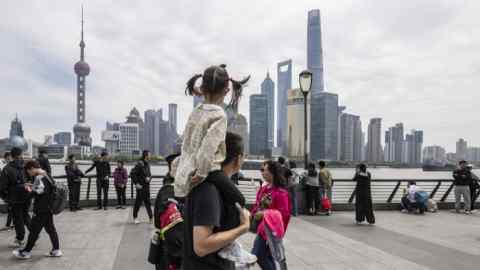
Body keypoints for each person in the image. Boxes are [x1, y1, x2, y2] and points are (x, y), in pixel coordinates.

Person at [173, 64, 250, 198]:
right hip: (210, 170)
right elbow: (209, 146)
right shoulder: (219, 115)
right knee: (239, 198)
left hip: (186, 166)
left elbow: (186, 142)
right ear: (226, 90)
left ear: (202, 88)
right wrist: (202, 173)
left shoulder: (196, 111)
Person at [183, 132, 252, 270]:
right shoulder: (209, 190)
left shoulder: (211, 184)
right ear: (238, 159)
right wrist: (243, 227)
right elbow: (201, 246)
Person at [13, 160, 62, 259]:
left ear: (31, 168)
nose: (29, 174)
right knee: (51, 229)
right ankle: (56, 250)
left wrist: (29, 190)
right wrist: (33, 187)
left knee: (34, 231)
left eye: (28, 171)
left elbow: (37, 193)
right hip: (49, 207)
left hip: (41, 209)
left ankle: (26, 252)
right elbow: (46, 189)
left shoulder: (39, 177)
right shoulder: (46, 174)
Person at [251, 161, 292, 270]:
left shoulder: (281, 193)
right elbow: (256, 205)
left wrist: (265, 214)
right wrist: (254, 214)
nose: (262, 172)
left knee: (258, 254)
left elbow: (284, 214)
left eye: (263, 170)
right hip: (262, 228)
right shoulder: (263, 189)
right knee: (267, 256)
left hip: (270, 231)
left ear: (272, 172)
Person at [153, 153, 183, 270]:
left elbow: (157, 223)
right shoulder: (170, 192)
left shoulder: (166, 189)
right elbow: (175, 234)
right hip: (172, 259)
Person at [0, 147, 31, 247]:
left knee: (18, 219)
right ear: (20, 155)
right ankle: (35, 234)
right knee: (26, 216)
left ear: (11, 156)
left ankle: (20, 239)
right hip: (26, 196)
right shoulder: (24, 166)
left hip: (14, 198)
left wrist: (6, 198)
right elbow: (30, 180)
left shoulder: (6, 169)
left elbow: (2, 187)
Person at [132, 150, 153, 224]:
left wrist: (149, 178)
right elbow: (132, 173)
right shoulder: (139, 164)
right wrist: (136, 183)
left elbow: (150, 175)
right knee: (138, 203)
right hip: (140, 187)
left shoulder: (148, 164)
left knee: (148, 202)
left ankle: (151, 218)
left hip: (147, 187)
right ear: (146, 155)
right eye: (149, 155)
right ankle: (135, 217)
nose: (150, 156)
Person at [1, 152, 14, 230]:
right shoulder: (5, 167)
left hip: (11, 192)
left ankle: (9, 224)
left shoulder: (9, 167)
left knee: (11, 208)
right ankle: (9, 224)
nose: (9, 160)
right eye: (8, 159)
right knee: (11, 208)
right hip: (8, 191)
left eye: (10, 158)